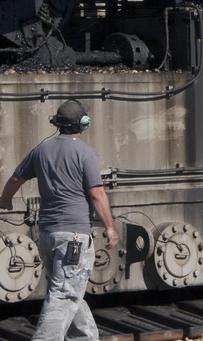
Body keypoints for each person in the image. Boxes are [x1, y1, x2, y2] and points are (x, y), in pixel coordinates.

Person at [0, 99, 117, 341]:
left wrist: (5, 200)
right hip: (74, 236)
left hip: (47, 235)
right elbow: (96, 193)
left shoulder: (41, 150)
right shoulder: (86, 153)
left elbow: (15, 179)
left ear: (58, 124)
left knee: (68, 290)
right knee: (65, 294)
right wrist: (109, 227)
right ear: (83, 124)